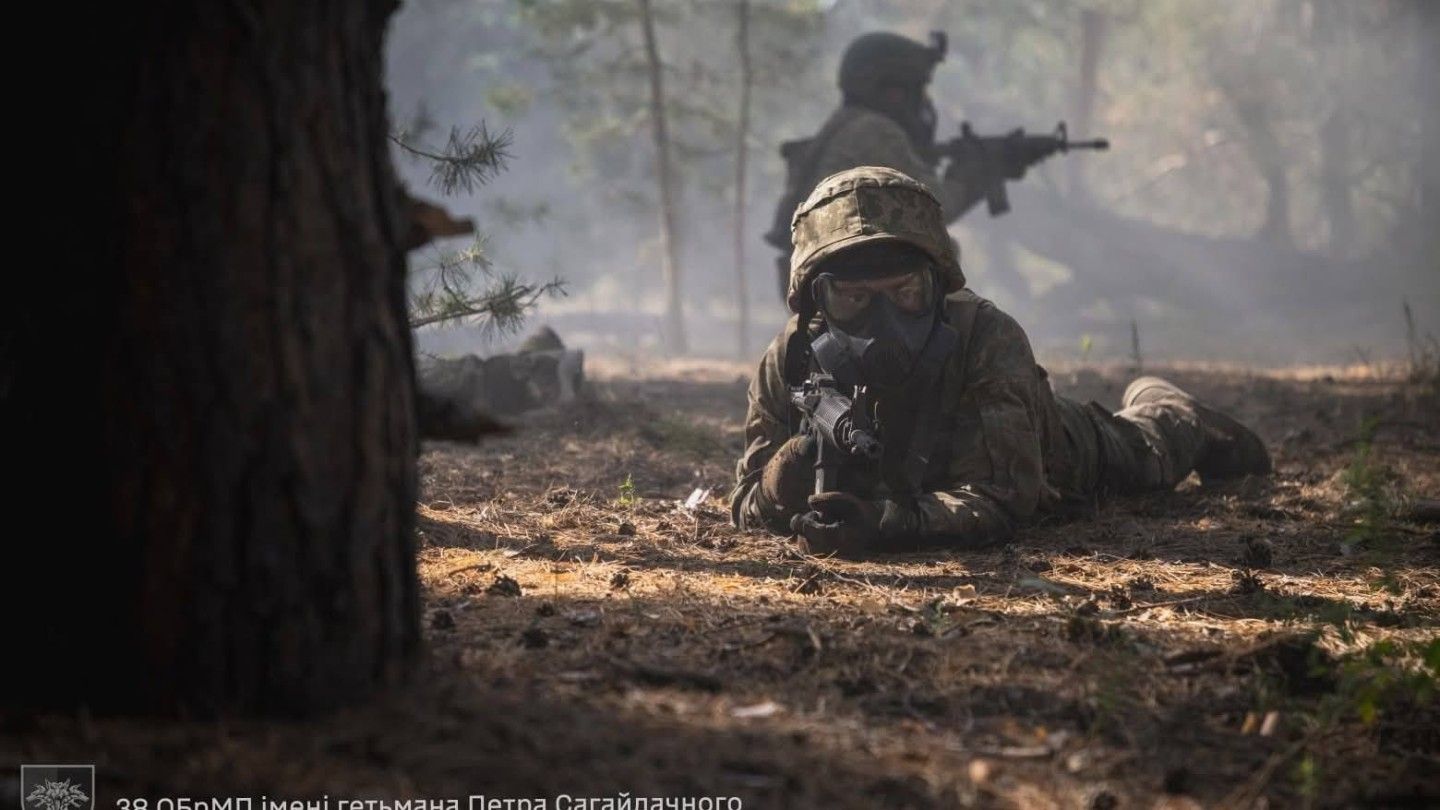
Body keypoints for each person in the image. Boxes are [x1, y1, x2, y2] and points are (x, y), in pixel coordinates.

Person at [731, 166, 1271, 555]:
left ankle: (1172, 410)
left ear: (938, 286)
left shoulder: (985, 338)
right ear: (816, 303)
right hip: (926, 485)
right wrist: (782, 485)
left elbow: (1002, 499)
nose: (886, 319)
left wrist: (884, 523)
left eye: (906, 292)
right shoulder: (792, 360)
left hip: (1054, 451)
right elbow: (745, 500)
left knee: (1142, 456)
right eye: (855, 298)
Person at [764, 31, 999, 299]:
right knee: (938, 256)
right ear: (890, 89)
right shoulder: (875, 131)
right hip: (842, 283)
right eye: (913, 88)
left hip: (817, 276)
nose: (921, 100)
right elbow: (937, 210)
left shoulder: (845, 125)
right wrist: (970, 176)